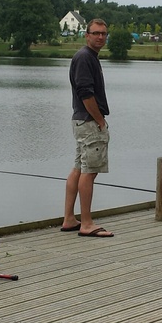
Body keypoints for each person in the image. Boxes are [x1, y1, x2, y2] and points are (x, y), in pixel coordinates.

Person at [61, 18, 114, 238]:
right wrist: (100, 120)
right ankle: (87, 223)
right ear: (87, 34)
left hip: (81, 121)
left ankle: (69, 219)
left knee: (79, 168)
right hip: (89, 122)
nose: (100, 37)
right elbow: (85, 93)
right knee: (89, 171)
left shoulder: (88, 57)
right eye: (96, 33)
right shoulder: (84, 58)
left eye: (103, 33)